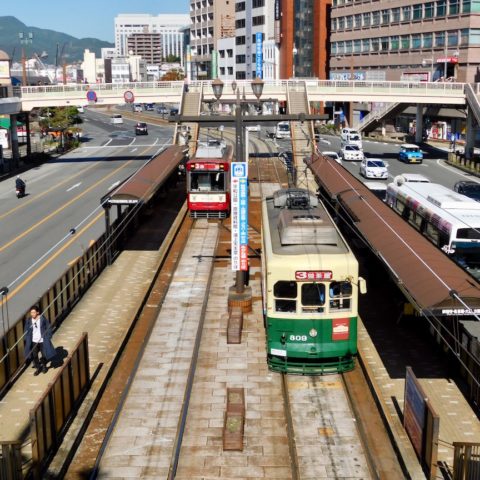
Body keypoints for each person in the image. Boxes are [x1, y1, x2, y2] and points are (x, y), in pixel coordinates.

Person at [24, 306, 56, 375]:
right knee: (34, 355)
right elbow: (26, 330)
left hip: (42, 339)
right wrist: (26, 338)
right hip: (33, 340)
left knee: (44, 354)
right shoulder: (29, 320)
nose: (32, 314)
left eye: (33, 312)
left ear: (37, 312)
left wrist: (49, 336)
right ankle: (38, 368)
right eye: (31, 312)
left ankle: (44, 366)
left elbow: (48, 327)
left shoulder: (42, 319)